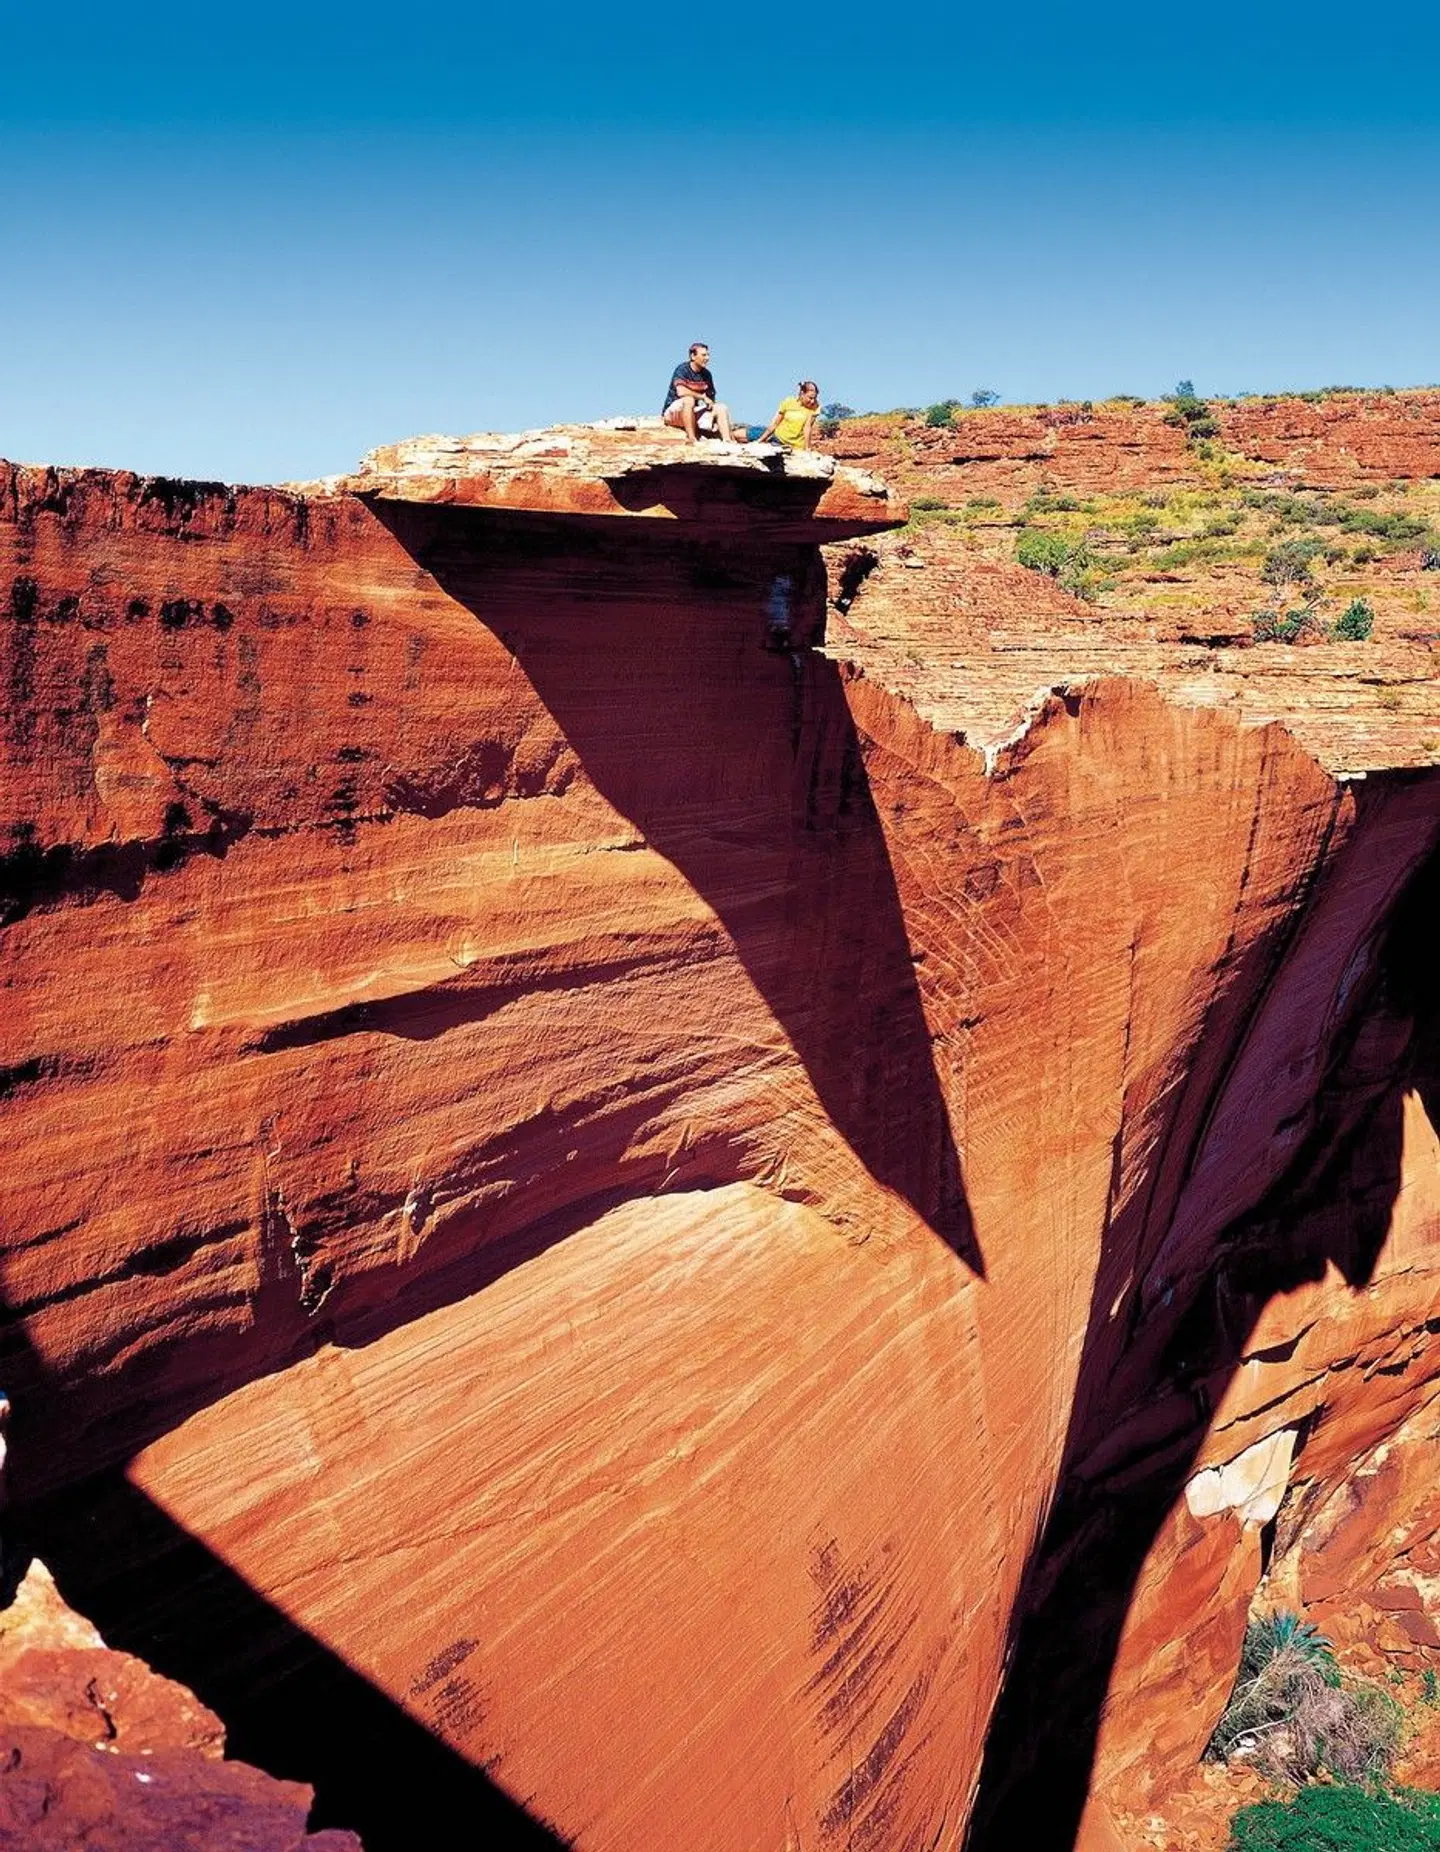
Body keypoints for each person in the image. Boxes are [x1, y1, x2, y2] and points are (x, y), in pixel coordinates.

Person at [663, 342, 735, 442]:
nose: (707, 358)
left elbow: (711, 400)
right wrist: (702, 397)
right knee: (689, 399)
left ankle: (727, 440)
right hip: (674, 413)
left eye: (708, 355)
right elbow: (681, 392)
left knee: (721, 407)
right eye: (704, 355)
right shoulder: (682, 369)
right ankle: (692, 438)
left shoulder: (707, 375)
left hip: (692, 413)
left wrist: (715, 417)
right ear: (693, 356)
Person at [756, 380, 821, 450]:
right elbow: (775, 423)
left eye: (815, 398)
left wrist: (807, 448)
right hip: (777, 438)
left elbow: (807, 427)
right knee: (750, 433)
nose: (813, 401)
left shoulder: (815, 407)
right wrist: (760, 441)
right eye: (810, 398)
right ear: (802, 393)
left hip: (795, 446)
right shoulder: (789, 401)